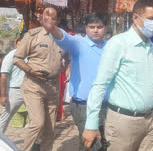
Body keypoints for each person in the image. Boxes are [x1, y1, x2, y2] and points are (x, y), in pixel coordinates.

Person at [82, 0, 153, 151]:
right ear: (135, 17)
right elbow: (100, 84)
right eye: (151, 19)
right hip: (125, 122)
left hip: (151, 120)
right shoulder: (118, 44)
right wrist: (91, 124)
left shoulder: (151, 47)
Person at [41, 12, 109, 151]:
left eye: (99, 27)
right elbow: (64, 38)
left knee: (101, 140)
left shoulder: (111, 47)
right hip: (83, 105)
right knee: (92, 143)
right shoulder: (79, 43)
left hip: (107, 104)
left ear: (106, 28)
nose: (95, 30)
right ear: (86, 28)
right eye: (92, 27)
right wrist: (53, 29)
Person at [13, 6, 65, 151]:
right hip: (34, 86)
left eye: (53, 18)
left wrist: (66, 67)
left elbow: (68, 57)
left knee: (50, 128)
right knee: (37, 123)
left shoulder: (62, 37)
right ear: (41, 18)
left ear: (58, 20)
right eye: (45, 17)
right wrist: (30, 70)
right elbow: (17, 58)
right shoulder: (32, 35)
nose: (49, 20)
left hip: (53, 87)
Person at [0, 37, 25, 133]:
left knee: (36, 117)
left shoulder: (30, 55)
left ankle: (36, 143)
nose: (22, 45)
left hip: (30, 90)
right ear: (16, 43)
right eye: (20, 43)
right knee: (6, 116)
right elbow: (3, 76)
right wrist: (2, 95)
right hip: (15, 90)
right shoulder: (11, 56)